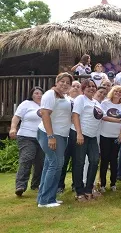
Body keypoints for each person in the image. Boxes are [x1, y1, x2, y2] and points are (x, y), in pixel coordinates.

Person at [37, 72, 73, 207]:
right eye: (62, 81)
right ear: (57, 82)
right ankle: (45, 200)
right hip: (51, 134)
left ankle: (48, 198)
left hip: (62, 135)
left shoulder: (64, 97)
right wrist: (50, 136)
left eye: (67, 83)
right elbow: (45, 114)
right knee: (55, 165)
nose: (65, 84)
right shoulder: (50, 94)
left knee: (50, 165)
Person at [71, 79, 104, 201]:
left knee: (94, 161)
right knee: (79, 163)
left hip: (92, 136)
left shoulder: (96, 102)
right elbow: (75, 115)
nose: (91, 88)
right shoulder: (80, 99)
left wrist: (120, 120)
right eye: (88, 86)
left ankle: (89, 189)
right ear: (83, 88)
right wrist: (79, 133)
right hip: (82, 135)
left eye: (93, 86)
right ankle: (79, 191)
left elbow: (101, 117)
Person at [10, 87, 45, 196]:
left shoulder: (45, 106)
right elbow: (16, 117)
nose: (39, 95)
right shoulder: (26, 104)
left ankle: (36, 185)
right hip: (26, 136)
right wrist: (13, 128)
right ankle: (20, 185)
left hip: (41, 137)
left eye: (41, 93)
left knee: (40, 162)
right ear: (32, 95)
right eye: (36, 93)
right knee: (27, 158)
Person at [99, 86, 121, 192]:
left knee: (114, 160)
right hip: (105, 135)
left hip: (116, 136)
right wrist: (118, 120)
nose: (118, 93)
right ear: (112, 92)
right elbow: (103, 117)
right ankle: (102, 184)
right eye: (116, 91)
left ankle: (113, 183)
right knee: (104, 159)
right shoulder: (105, 103)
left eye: (120, 92)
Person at [58, 81, 82, 193]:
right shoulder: (64, 100)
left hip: (77, 132)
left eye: (78, 86)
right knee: (64, 160)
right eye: (74, 86)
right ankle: (59, 185)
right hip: (65, 132)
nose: (76, 88)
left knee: (77, 161)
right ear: (69, 89)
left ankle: (76, 184)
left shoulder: (82, 101)